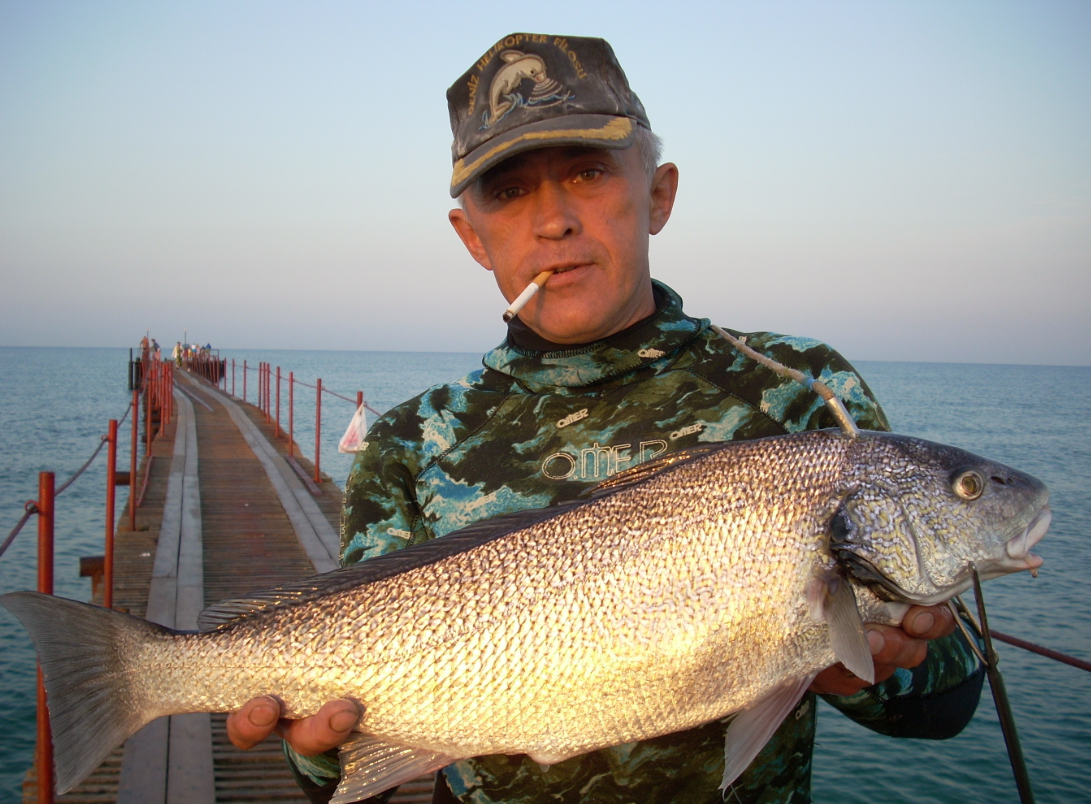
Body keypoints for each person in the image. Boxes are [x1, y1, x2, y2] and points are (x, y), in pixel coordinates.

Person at [227, 33, 983, 804]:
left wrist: (862, 665)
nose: (553, 221)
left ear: (657, 194)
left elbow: (946, 708)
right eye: (508, 191)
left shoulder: (799, 395)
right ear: (470, 236)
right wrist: (322, 752)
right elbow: (338, 773)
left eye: (588, 173)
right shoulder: (413, 440)